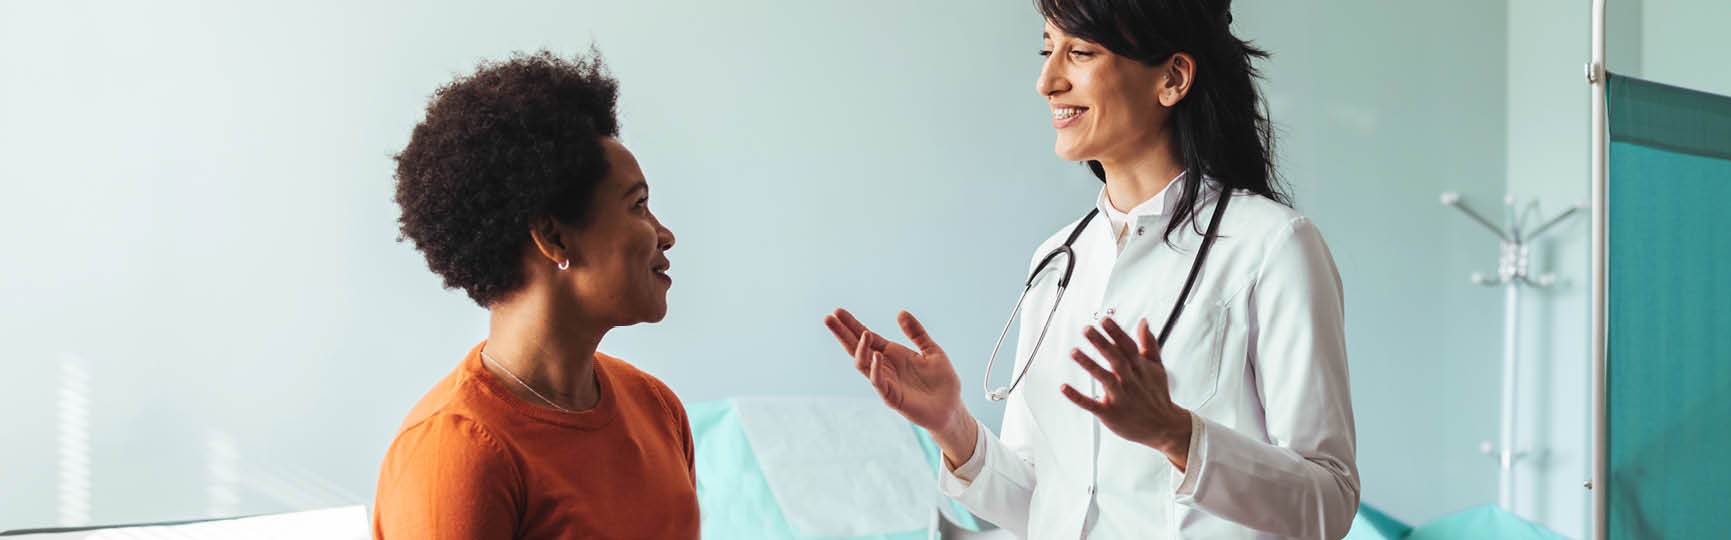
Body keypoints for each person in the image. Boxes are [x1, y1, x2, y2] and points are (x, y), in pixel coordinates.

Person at [822, 1, 1358, 538]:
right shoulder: (1056, 261)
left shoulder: (1272, 247)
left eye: (1079, 52)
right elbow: (1046, 503)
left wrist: (1178, 435)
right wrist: (951, 425)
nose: (1046, 81)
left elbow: (1329, 501)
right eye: (1046, 49)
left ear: (1172, 78)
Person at [372, 49, 696, 539]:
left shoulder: (658, 409)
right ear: (554, 238)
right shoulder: (457, 452)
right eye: (639, 206)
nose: (664, 234)